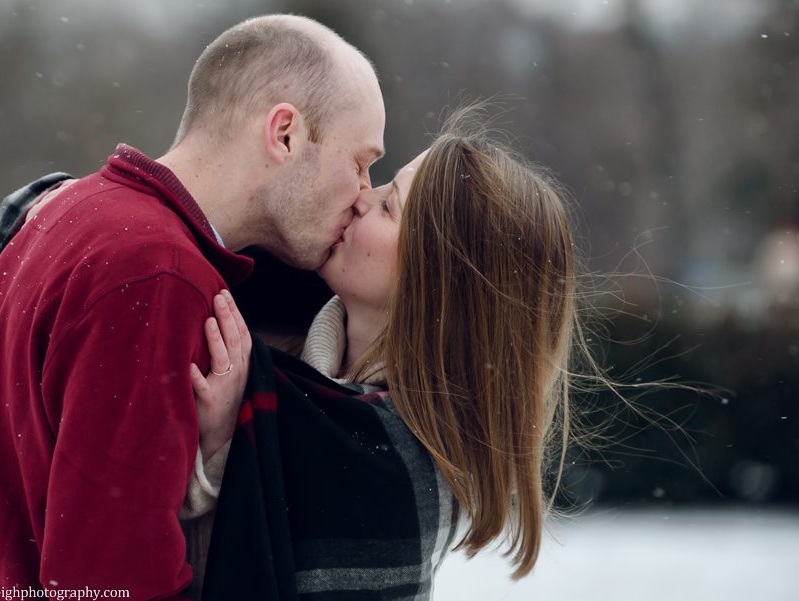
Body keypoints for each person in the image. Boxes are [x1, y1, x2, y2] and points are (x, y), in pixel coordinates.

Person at [0, 14, 385, 596]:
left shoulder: (71, 214)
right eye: (360, 162)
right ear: (286, 133)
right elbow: (112, 579)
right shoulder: (154, 272)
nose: (364, 194)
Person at [185, 107, 581, 599]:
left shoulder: (391, 461)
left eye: (389, 206)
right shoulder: (283, 358)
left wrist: (221, 445)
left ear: (433, 284)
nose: (359, 198)